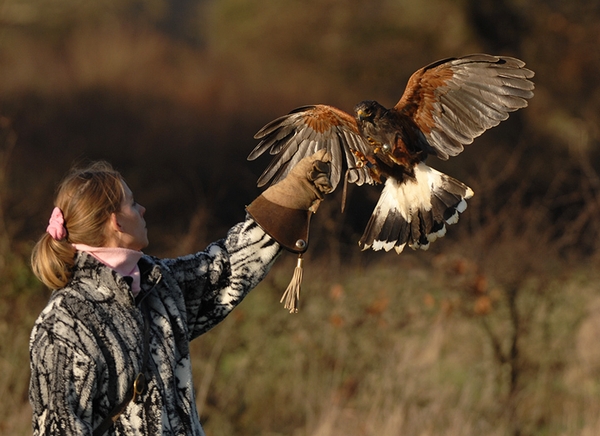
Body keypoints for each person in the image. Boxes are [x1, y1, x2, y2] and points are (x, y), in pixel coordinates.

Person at [29, 150, 332, 436]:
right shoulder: (64, 324)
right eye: (133, 203)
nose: (142, 209)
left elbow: (224, 270)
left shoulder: (156, 284)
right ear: (115, 221)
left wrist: (290, 197)